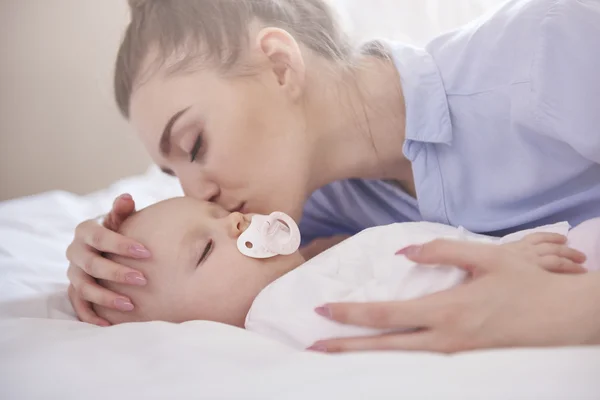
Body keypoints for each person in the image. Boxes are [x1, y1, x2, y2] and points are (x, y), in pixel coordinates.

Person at [66, 0, 600, 352]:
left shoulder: (546, 53)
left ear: (279, 65)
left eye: (193, 145)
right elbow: (192, 266)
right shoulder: (318, 207)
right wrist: (104, 263)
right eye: (173, 171)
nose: (195, 191)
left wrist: (569, 308)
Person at [91, 196, 596, 352]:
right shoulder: (278, 312)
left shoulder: (308, 270)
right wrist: (507, 260)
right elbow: (400, 307)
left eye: (218, 210)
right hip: (540, 272)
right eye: (204, 248)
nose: (236, 221)